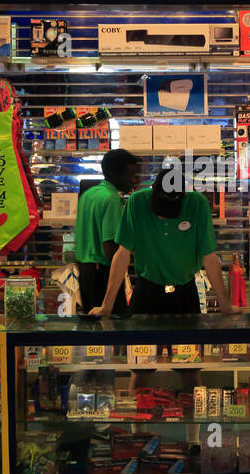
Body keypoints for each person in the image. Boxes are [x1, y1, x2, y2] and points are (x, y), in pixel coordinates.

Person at [90, 161, 233, 389]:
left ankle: (193, 422)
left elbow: (209, 258)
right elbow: (122, 254)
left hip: (185, 295)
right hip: (147, 293)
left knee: (190, 371)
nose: (165, 218)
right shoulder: (137, 202)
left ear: (183, 197)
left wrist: (225, 306)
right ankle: (138, 425)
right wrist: (106, 306)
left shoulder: (197, 204)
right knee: (140, 371)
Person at [74, 149, 140, 318]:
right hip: (103, 274)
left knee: (93, 329)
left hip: (85, 272)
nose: (135, 180)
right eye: (130, 174)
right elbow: (111, 249)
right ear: (113, 173)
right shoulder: (111, 199)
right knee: (113, 326)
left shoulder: (88, 195)